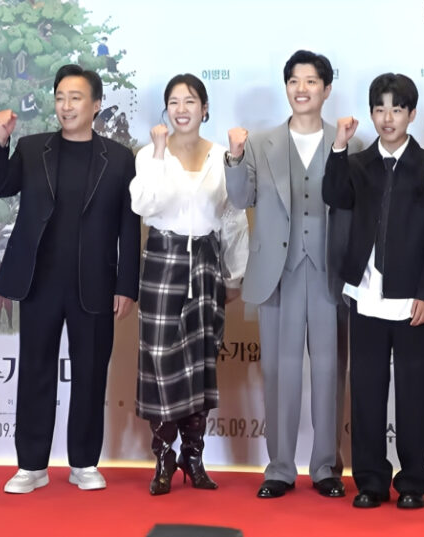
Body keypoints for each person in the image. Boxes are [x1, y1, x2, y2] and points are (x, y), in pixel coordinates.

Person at [0, 64, 140, 493]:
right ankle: (32, 465)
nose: (66, 105)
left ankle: (84, 463)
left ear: (95, 104)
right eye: (60, 97)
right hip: (38, 280)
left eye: (76, 97)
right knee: (35, 370)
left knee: (90, 373)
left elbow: (130, 228)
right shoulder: (33, 148)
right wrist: (0, 141)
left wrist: (126, 284)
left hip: (94, 283)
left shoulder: (120, 158)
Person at [322, 73, 424, 509]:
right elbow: (334, 195)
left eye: (397, 109)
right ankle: (372, 481)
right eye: (380, 108)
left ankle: (413, 481)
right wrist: (340, 146)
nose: (387, 117)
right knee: (366, 391)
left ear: (412, 114)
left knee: (414, 393)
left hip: (413, 298)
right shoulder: (358, 163)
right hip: (365, 295)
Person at [225, 50, 350, 500]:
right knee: (279, 370)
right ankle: (278, 467)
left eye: (312, 81)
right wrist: (235, 157)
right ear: (287, 88)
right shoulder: (260, 142)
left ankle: (325, 467)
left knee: (329, 371)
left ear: (326, 89)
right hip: (276, 273)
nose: (302, 88)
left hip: (329, 274)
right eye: (295, 80)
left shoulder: (347, 140)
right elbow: (241, 199)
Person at [129, 74, 249, 495]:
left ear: (205, 108)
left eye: (191, 101)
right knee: (162, 362)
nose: (182, 109)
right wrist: (161, 153)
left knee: (201, 362)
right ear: (166, 111)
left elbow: (233, 217)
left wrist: (234, 275)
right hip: (162, 261)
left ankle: (193, 458)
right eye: (175, 102)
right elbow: (145, 205)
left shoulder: (223, 155)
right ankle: (162, 458)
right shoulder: (150, 155)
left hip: (205, 263)